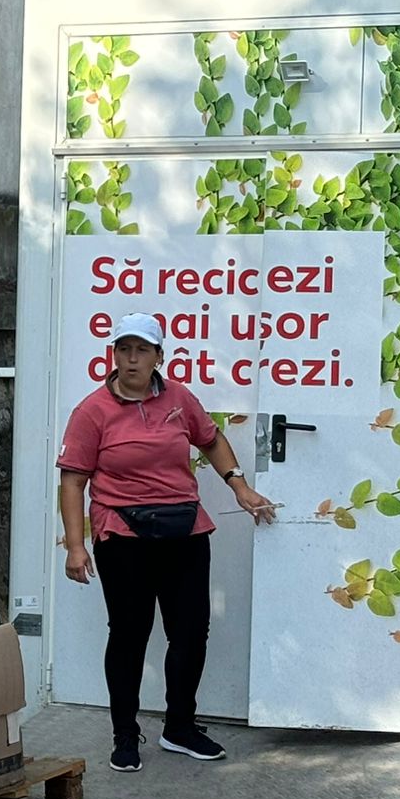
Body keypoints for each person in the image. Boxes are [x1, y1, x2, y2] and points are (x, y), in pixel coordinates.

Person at [57, 313, 277, 772]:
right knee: (130, 634)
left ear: (160, 356)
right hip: (122, 534)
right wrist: (76, 546)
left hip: (185, 530)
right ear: (113, 354)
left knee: (192, 632)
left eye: (141, 350)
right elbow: (73, 481)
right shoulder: (91, 411)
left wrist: (239, 485)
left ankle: (180, 727)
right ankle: (125, 734)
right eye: (123, 349)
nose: (131, 358)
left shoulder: (180, 399)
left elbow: (212, 441)